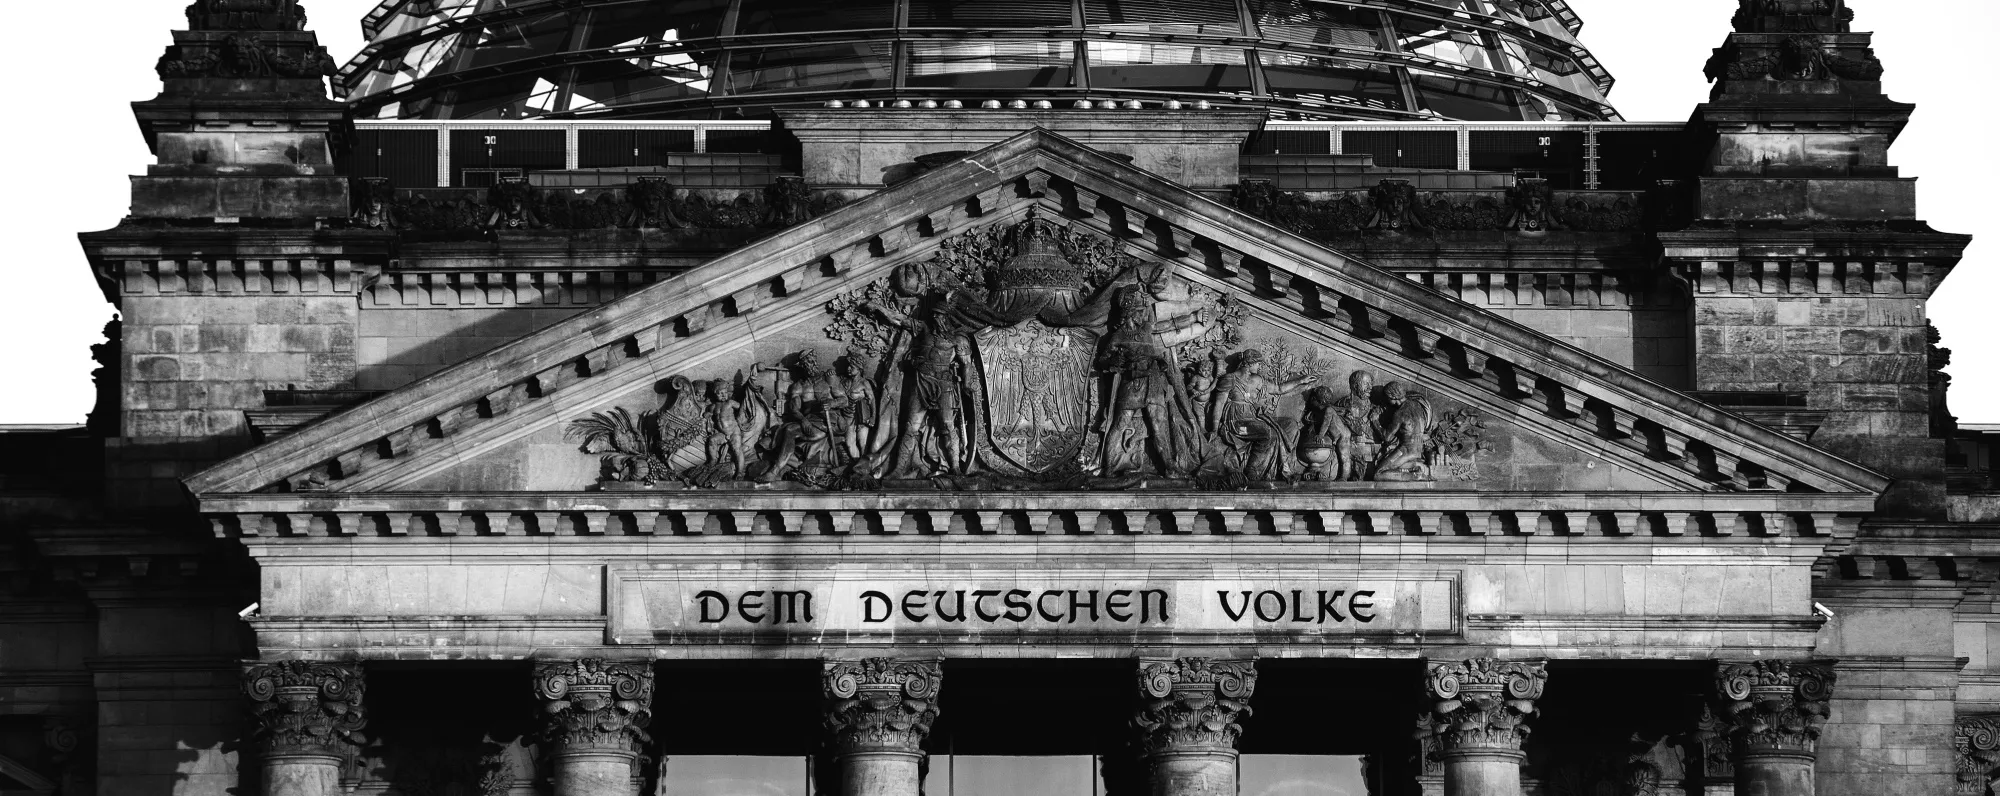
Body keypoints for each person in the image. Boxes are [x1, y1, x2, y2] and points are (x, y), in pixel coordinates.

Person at [1207, 349, 1318, 481]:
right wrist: (1214, 429)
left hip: (1254, 418)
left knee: (1290, 424)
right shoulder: (1229, 379)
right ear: (1249, 363)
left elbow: (1279, 389)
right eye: (1258, 364)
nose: (1259, 367)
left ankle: (1283, 466)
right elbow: (1218, 405)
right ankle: (1251, 470)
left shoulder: (1257, 380)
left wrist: (1301, 380)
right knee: (1268, 432)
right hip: (1237, 424)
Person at [1373, 381, 1435, 482]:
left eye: (1387, 399)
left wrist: (1375, 421)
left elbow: (1386, 437)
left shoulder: (1400, 413)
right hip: (1419, 450)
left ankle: (1415, 476)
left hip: (1406, 450)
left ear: (1393, 397)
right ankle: (1412, 470)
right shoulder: (1417, 405)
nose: (1387, 402)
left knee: (1378, 474)